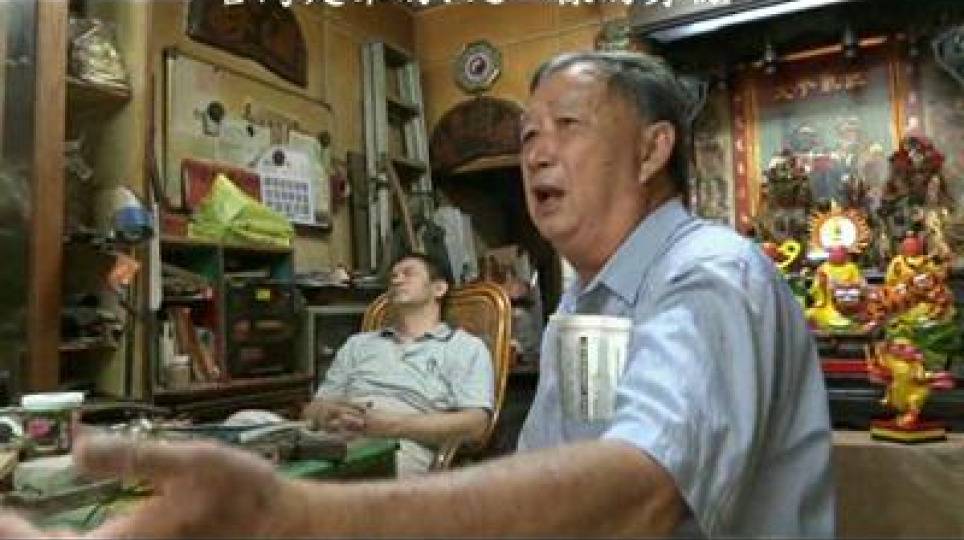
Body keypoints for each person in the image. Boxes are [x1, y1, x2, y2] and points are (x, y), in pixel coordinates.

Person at [0, 50, 834, 538]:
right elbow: (544, 482)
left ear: (653, 150)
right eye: (528, 135)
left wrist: (307, 518)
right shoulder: (587, 303)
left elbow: (643, 492)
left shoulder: (708, 275)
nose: (536, 153)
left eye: (567, 127)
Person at [302, 251, 494, 476]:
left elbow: (476, 425)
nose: (396, 280)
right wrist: (327, 413)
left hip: (404, 447)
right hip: (334, 442)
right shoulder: (357, 344)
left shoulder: (464, 347)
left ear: (438, 288)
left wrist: (391, 425)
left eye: (408, 273)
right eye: (393, 276)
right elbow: (311, 410)